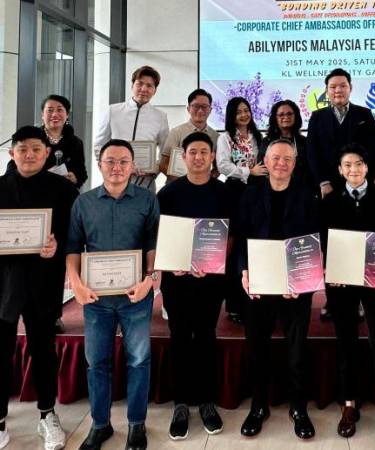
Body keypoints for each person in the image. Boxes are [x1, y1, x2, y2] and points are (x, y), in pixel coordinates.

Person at [0, 126, 78, 450]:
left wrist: (58, 248)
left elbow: (76, 234)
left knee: (43, 350)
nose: (29, 155)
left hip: (42, 281)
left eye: (36, 150)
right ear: (12, 153)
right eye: (23, 149)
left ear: (46, 153)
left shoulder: (63, 191)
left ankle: (47, 415)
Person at [66, 139, 159, 450]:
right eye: (110, 161)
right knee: (97, 363)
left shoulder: (147, 200)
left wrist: (149, 280)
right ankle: (100, 424)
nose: (116, 167)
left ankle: (136, 424)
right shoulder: (84, 202)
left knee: (139, 361)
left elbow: (152, 245)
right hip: (97, 299)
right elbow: (72, 247)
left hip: (136, 297)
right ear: (100, 164)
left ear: (132, 166)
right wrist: (76, 283)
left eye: (123, 161)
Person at [235, 139, 320, 440]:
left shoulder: (308, 196)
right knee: (256, 346)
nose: (281, 163)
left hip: (296, 285)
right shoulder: (251, 194)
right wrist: (244, 270)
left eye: (287, 158)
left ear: (295, 163)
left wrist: (304, 277)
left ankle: (298, 407)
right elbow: (241, 237)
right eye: (275, 158)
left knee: (296, 349)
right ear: (265, 161)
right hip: (259, 282)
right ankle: (259, 406)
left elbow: (315, 240)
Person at [322, 144, 375, 449]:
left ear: (367, 168)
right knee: (346, 341)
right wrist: (333, 271)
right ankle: (349, 404)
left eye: (358, 164)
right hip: (341, 281)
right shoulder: (329, 201)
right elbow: (324, 239)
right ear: (340, 170)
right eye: (347, 165)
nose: (353, 170)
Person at [157, 132, 231, 440]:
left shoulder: (224, 193)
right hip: (176, 280)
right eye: (193, 152)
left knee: (205, 335)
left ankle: (206, 401)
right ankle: (181, 403)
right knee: (179, 337)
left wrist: (215, 262)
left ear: (213, 156)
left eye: (204, 152)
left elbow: (233, 235)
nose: (198, 157)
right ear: (183, 156)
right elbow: (158, 236)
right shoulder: (168, 194)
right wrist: (168, 262)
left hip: (210, 280)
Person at [216, 96, 265, 324]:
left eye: (246, 110)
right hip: (234, 192)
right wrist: (248, 172)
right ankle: (235, 304)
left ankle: (256, 299)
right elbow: (222, 165)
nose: (243, 115)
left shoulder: (258, 136)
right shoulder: (225, 138)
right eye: (238, 112)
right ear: (231, 116)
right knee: (235, 248)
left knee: (254, 244)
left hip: (257, 193)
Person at [94, 65, 169, 192]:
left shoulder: (160, 116)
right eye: (140, 83)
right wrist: (108, 167)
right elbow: (99, 145)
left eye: (149, 86)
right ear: (132, 85)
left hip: (145, 179)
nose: (144, 89)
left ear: (155, 90)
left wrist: (154, 170)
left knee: (144, 211)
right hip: (115, 176)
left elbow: (165, 151)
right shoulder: (113, 111)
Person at [306, 68, 375, 197]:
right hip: (328, 186)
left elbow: (373, 149)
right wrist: (323, 181)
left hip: (359, 183)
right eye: (333, 87)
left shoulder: (365, 114)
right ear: (326, 91)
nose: (338, 90)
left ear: (350, 88)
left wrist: (368, 179)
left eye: (343, 86)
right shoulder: (317, 116)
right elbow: (312, 152)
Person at [7, 95, 88, 189]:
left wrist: (75, 178)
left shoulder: (75, 142)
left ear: (67, 115)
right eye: (50, 110)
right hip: (31, 191)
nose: (54, 114)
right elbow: (13, 169)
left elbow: (81, 173)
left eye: (59, 110)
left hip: (63, 193)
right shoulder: (31, 138)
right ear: (42, 115)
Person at [158, 89, 220, 184]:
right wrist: (185, 182)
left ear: (210, 110)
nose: (200, 110)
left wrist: (208, 179)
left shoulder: (216, 137)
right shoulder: (176, 132)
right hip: (177, 187)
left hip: (205, 188)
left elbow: (218, 167)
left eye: (204, 107)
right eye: (195, 106)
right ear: (188, 108)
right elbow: (163, 164)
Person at [261, 99, 313, 190]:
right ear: (275, 118)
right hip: (272, 189)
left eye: (289, 114)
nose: (286, 117)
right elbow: (262, 169)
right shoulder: (267, 141)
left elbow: (310, 168)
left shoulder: (305, 142)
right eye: (281, 114)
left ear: (296, 116)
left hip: (300, 190)